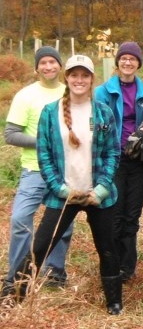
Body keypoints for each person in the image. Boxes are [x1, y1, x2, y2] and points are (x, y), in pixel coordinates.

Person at [10, 55, 123, 315]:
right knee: (40, 245)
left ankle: (114, 301)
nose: (79, 80)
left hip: (98, 195)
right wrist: (61, 189)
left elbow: (113, 153)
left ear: (92, 79)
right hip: (64, 194)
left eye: (85, 75)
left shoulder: (103, 111)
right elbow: (45, 154)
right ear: (67, 78)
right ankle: (18, 293)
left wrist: (102, 189)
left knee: (107, 248)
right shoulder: (50, 113)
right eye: (74, 75)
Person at [2, 47, 74, 295]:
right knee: (20, 219)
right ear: (36, 67)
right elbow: (11, 134)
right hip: (35, 170)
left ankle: (54, 274)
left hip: (65, 170)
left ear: (60, 66)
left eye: (53, 62)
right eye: (43, 62)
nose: (48, 67)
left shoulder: (71, 92)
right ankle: (16, 277)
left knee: (63, 225)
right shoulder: (26, 96)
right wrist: (45, 141)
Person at [95, 41, 143, 282]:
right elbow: (97, 123)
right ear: (117, 61)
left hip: (137, 160)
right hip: (114, 159)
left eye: (133, 59)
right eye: (124, 58)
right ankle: (113, 263)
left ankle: (128, 267)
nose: (128, 62)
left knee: (133, 213)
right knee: (115, 213)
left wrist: (141, 138)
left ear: (139, 63)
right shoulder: (104, 91)